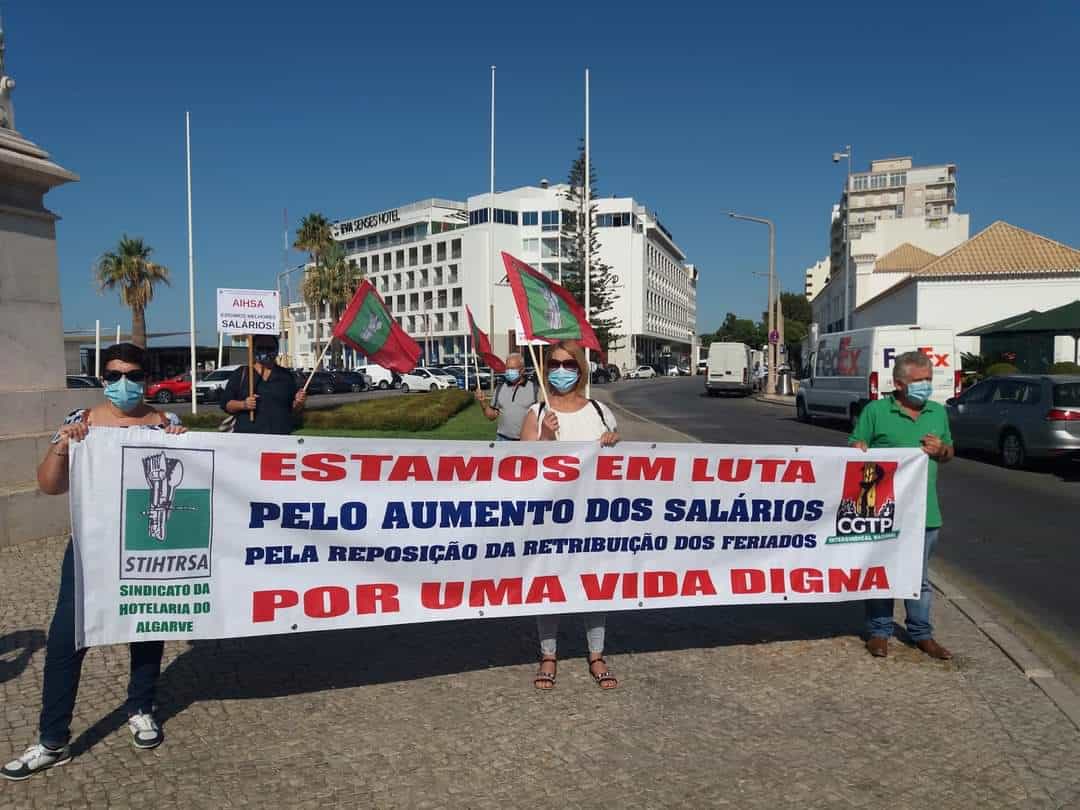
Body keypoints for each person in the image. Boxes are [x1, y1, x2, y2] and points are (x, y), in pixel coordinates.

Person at [2, 343, 188, 781]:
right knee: (67, 637)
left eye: (134, 374)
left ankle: (142, 707)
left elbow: (191, 477)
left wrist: (184, 449)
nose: (124, 384)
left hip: (146, 548)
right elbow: (49, 486)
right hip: (91, 548)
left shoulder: (167, 423)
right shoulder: (81, 421)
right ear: (103, 378)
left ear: (146, 378)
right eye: (114, 375)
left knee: (148, 625)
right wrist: (65, 447)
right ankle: (52, 740)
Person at [520, 341, 620, 690]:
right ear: (546, 369)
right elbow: (522, 468)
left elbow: (624, 464)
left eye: (569, 364)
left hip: (593, 517)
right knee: (550, 585)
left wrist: (613, 441)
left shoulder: (600, 411)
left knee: (594, 586)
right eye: (555, 364)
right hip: (550, 518)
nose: (561, 370)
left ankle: (596, 654)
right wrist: (545, 437)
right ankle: (549, 655)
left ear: (580, 369)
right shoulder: (536, 412)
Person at [850, 350, 954, 660]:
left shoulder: (938, 413)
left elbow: (950, 452)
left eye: (929, 380)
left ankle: (922, 634)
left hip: (924, 511)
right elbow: (855, 448)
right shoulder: (875, 411)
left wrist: (941, 450)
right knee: (881, 572)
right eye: (919, 381)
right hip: (882, 509)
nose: (926, 386)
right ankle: (879, 631)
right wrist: (859, 448)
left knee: (918, 577)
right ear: (899, 384)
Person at [221, 335, 306, 434]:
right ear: (253, 349)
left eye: (270, 348)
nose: (266, 351)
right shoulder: (241, 374)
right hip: (248, 437)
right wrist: (244, 405)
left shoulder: (286, 376)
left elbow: (294, 409)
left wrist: (299, 402)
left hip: (280, 437)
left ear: (277, 350)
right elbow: (226, 404)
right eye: (261, 348)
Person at [475, 352, 538, 441]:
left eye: (512, 368)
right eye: (507, 368)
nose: (509, 371)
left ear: (522, 370)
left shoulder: (534, 389)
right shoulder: (500, 388)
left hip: (526, 441)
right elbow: (491, 416)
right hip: (502, 440)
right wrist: (483, 402)